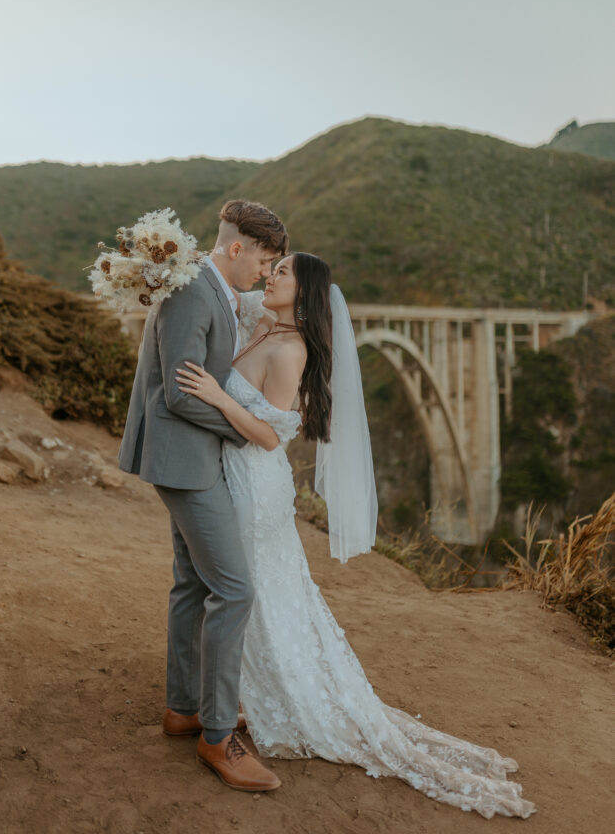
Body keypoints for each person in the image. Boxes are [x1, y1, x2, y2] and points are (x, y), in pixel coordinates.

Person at [175, 252, 536, 819]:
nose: (271, 276)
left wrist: (219, 397)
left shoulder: (290, 349)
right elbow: (223, 284)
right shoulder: (266, 324)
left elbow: (271, 436)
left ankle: (250, 710)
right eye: (272, 269)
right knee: (262, 595)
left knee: (253, 594)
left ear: (306, 292)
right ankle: (237, 703)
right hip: (238, 482)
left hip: (254, 487)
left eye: (284, 272)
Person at [118, 199, 289, 792]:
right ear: (237, 248)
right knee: (234, 589)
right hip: (186, 462)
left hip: (187, 457)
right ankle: (218, 737)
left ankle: (183, 708)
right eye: (264, 261)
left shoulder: (208, 283)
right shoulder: (194, 288)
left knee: (192, 582)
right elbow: (182, 394)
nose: (265, 274)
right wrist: (244, 426)